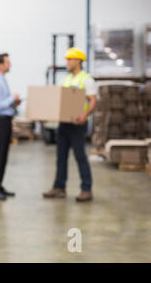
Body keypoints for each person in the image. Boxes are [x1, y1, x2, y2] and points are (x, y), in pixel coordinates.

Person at [43, 47, 97, 202]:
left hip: (78, 124)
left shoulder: (86, 79)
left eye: (69, 59)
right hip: (64, 124)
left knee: (80, 156)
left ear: (78, 61)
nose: (67, 62)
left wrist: (84, 115)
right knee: (61, 157)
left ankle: (86, 189)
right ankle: (59, 187)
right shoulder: (66, 80)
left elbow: (93, 101)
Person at [0, 53, 21, 200]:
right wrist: (11, 100)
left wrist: (13, 104)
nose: (10, 64)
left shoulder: (2, 80)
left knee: (3, 156)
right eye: (7, 62)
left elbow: (2, 103)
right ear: (0, 64)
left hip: (5, 120)